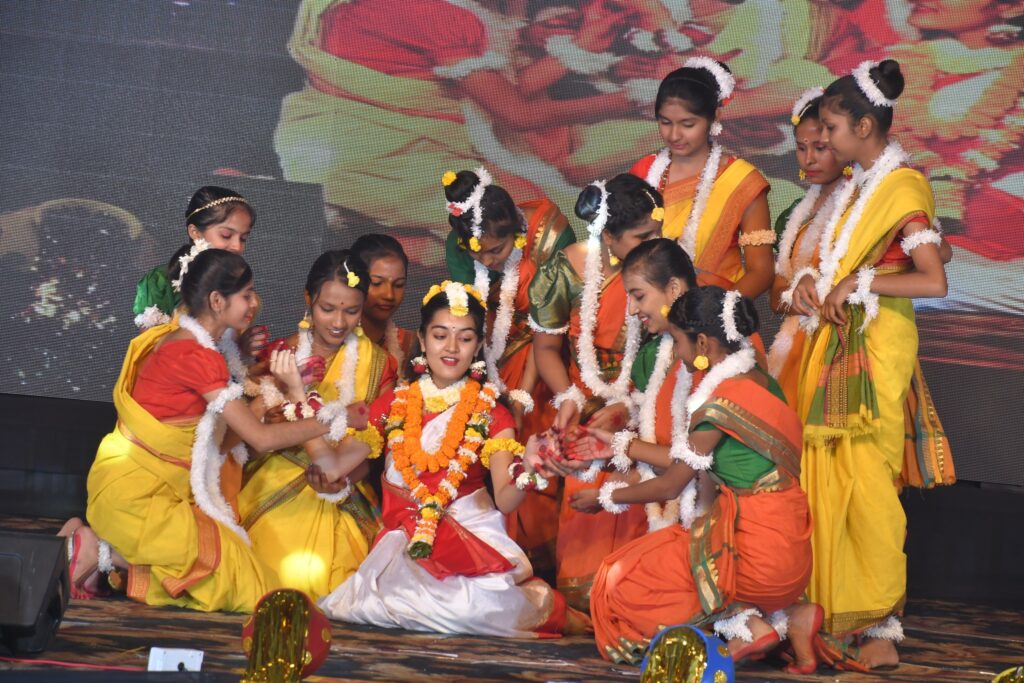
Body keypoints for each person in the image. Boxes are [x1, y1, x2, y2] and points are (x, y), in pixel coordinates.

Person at [77, 249, 351, 612]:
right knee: (248, 587)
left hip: (150, 491)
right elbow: (259, 438)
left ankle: (99, 555)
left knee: (247, 579)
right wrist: (337, 418)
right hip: (138, 499)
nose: (254, 303)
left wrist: (278, 389)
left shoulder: (195, 345)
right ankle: (100, 553)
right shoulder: (196, 356)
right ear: (218, 301)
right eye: (246, 295)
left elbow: (221, 441)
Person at [793, 59, 951, 669]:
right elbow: (851, 262)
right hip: (840, 341)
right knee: (830, 478)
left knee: (869, 486)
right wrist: (817, 281)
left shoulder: (902, 187)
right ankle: (827, 612)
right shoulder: (858, 185)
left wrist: (860, 282)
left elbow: (933, 279)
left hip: (877, 347)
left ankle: (879, 623)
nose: (826, 140)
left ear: (863, 126)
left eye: (832, 129)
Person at [319, 281, 589, 637]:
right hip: (405, 536)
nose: (451, 348)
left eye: (464, 338)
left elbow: (506, 499)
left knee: (468, 607)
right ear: (422, 339)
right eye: (440, 335)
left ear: (477, 346)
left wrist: (530, 467)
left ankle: (549, 610)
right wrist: (300, 401)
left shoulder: (491, 412)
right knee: (383, 601)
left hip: (471, 533)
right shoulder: (394, 405)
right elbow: (333, 467)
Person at [581, 286, 816, 671]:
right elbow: (687, 460)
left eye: (678, 342)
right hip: (793, 552)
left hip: (757, 560)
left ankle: (748, 627)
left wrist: (605, 498)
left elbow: (671, 483)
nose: (676, 353)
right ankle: (793, 616)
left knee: (620, 581)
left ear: (703, 343)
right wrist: (621, 444)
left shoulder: (719, 404)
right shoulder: (762, 383)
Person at [529, 173, 661, 611]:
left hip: (645, 402)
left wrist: (629, 406)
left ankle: (633, 599)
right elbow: (546, 349)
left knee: (640, 514)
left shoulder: (660, 268)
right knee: (585, 516)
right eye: (643, 236)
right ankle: (593, 602)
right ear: (607, 235)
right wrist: (570, 397)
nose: (655, 242)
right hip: (585, 406)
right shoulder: (563, 272)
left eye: (657, 232)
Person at [237, 249, 398, 600]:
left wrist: (340, 481)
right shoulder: (280, 356)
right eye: (328, 308)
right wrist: (275, 408)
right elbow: (244, 443)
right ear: (308, 300)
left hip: (344, 484)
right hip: (274, 477)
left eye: (351, 310)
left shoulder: (380, 365)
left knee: (340, 580)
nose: (339, 322)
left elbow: (373, 451)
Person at [443, 168, 575, 579]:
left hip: (549, 349)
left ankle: (542, 564)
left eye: (496, 250)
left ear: (517, 229)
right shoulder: (460, 245)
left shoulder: (551, 236)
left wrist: (521, 394)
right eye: (478, 254)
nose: (486, 260)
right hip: (488, 353)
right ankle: (492, 557)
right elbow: (467, 316)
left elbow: (547, 329)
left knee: (532, 432)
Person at [629, 59, 775, 300]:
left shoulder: (741, 181)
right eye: (665, 123)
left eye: (687, 124)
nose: (674, 135)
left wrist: (715, 313)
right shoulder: (644, 172)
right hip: (643, 312)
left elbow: (761, 271)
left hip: (713, 312)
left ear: (714, 117)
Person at [767, 87, 851, 405]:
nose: (809, 159)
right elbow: (776, 297)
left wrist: (815, 284)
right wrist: (796, 296)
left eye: (820, 148)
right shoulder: (795, 214)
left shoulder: (860, 207)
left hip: (843, 349)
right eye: (801, 148)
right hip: (795, 348)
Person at [350, 234, 415, 368]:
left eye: (398, 285)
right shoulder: (328, 339)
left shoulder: (410, 345)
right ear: (354, 281)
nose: (389, 295)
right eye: (377, 283)